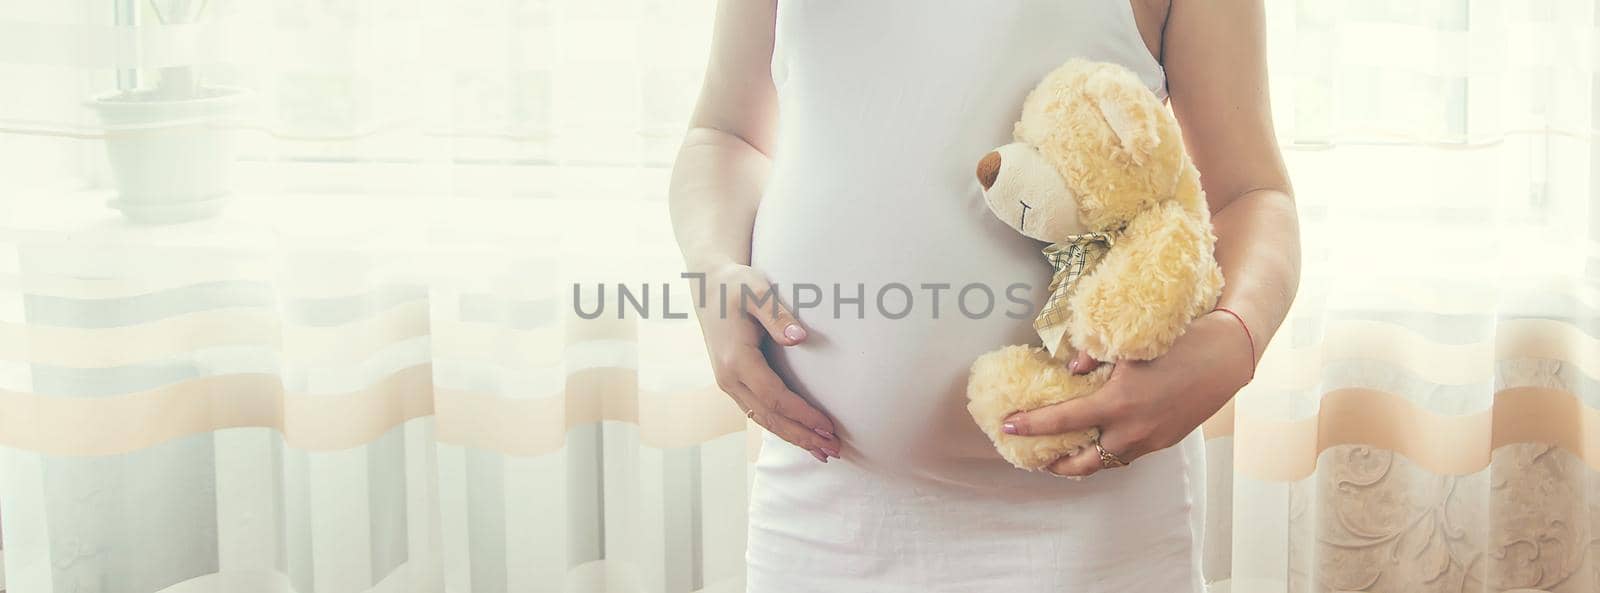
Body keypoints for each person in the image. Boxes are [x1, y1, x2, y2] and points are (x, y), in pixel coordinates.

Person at [667, 0, 1300, 591]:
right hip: (824, 507)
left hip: (1098, 520)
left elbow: (1251, 192)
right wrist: (711, 266)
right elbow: (727, 135)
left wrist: (1235, 338)